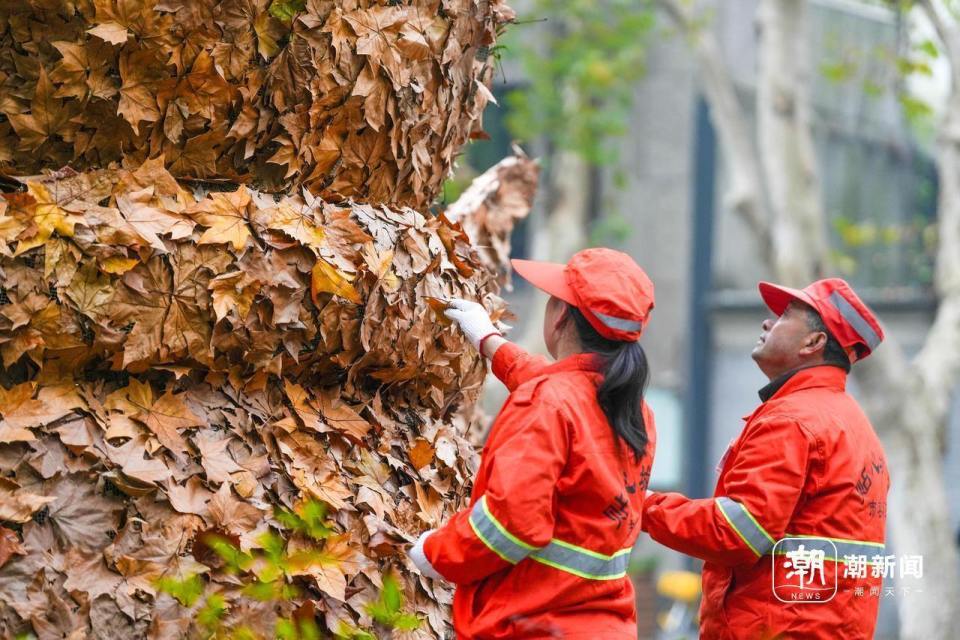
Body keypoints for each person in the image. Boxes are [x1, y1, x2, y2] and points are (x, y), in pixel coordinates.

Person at [407, 248, 658, 639]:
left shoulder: (549, 401)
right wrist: (489, 340)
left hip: (531, 625)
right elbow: (564, 387)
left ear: (560, 314)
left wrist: (432, 553)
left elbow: (510, 526)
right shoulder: (635, 411)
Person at [643, 278, 890, 639]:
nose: (767, 323)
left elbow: (737, 533)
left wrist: (642, 505)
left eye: (785, 315)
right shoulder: (854, 427)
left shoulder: (792, 421)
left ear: (814, 342)